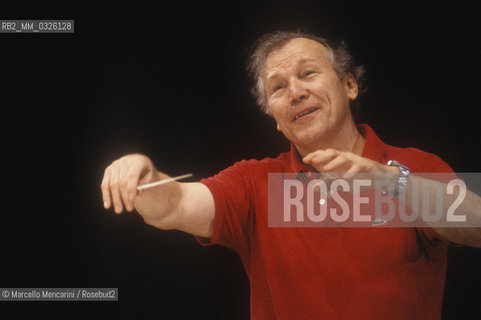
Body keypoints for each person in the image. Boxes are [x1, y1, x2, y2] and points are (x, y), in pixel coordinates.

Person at [100, 31, 481, 319]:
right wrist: (145, 176)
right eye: (278, 88)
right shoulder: (255, 182)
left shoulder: (416, 165)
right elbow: (174, 206)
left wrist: (390, 182)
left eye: (308, 73)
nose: (295, 92)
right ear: (277, 121)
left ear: (349, 85)